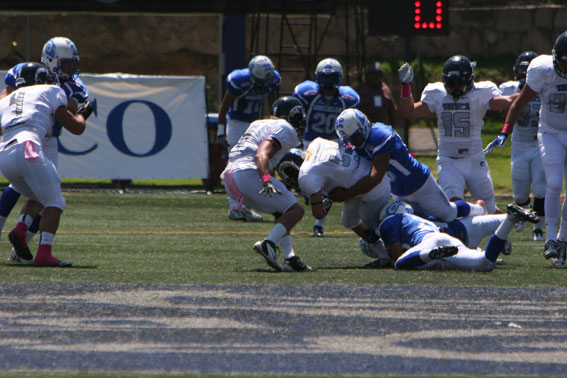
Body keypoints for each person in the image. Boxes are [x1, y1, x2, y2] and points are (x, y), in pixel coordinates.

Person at [0, 36, 89, 262]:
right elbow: (73, 119)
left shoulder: (72, 86)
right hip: (31, 139)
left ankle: (21, 247)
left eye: (71, 64)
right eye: (64, 64)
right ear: (50, 61)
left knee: (42, 191)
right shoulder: (40, 81)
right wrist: (81, 115)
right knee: (51, 197)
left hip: (37, 139)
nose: (69, 69)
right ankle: (40, 249)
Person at [397, 56, 516, 214]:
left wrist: (532, 90)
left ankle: (501, 236)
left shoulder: (480, 93)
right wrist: (406, 85)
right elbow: (409, 111)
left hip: (475, 159)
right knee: (454, 207)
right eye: (452, 85)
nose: (457, 89)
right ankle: (470, 221)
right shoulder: (437, 93)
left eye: (460, 84)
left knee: (490, 210)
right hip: (449, 161)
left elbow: (508, 101)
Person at [488, 31, 567, 266]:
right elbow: (519, 103)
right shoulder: (543, 70)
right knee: (553, 182)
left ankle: (562, 239)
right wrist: (504, 131)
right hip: (550, 132)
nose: (565, 66)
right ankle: (550, 238)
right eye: (563, 61)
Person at [331, 108, 486, 223]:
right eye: (349, 140)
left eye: (355, 138)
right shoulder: (358, 143)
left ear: (364, 127)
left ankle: (479, 209)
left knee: (449, 214)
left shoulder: (380, 135)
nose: (354, 143)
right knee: (421, 221)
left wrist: (345, 194)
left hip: (420, 183)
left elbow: (375, 177)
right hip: (398, 190)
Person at [220, 96, 311, 272]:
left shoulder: (258, 123)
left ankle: (290, 258)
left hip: (230, 176)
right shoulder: (285, 129)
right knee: (296, 210)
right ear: (290, 116)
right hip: (248, 173)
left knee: (282, 211)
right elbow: (262, 154)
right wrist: (266, 179)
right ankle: (268, 243)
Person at [289, 137, 391, 264]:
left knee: (377, 226)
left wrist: (326, 199)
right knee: (349, 221)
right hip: (369, 173)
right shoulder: (316, 143)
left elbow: (318, 214)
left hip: (371, 187)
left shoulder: (306, 175)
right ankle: (385, 256)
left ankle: (399, 252)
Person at [293, 58, 360, 236]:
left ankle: (318, 223)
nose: (328, 82)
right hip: (311, 142)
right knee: (309, 185)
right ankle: (314, 206)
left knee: (325, 184)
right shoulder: (307, 93)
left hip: (333, 144)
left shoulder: (348, 98)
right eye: (325, 78)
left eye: (332, 78)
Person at [377, 201, 539, 271]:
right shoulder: (421, 218)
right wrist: (479, 208)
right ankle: (509, 219)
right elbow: (459, 208)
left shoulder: (390, 221)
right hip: (450, 236)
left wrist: (388, 257)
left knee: (399, 264)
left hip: (430, 241)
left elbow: (397, 252)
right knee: (486, 263)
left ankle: (431, 254)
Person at [486, 51, 545, 241]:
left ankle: (539, 227)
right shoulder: (509, 88)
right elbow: (496, 102)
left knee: (540, 187)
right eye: (522, 71)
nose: (524, 75)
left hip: (540, 143)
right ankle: (522, 213)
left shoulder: (546, 85)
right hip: (520, 144)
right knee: (519, 190)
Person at [217, 55, 281, 222]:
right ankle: (234, 207)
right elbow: (224, 107)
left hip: (256, 123)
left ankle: (246, 207)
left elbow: (272, 104)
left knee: (253, 165)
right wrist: (220, 132)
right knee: (234, 165)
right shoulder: (239, 80)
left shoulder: (272, 79)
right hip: (237, 123)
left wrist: (274, 124)